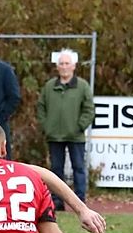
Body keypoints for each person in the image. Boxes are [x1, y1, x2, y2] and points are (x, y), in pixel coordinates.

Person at [36, 48, 95, 211]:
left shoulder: (82, 86)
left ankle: (80, 200)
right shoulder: (49, 86)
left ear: (73, 66)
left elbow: (89, 109)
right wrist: (47, 125)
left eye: (67, 63)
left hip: (76, 136)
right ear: (57, 66)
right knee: (56, 170)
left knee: (78, 168)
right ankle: (57, 201)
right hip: (54, 136)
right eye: (61, 63)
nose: (64, 66)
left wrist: (79, 127)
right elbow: (41, 107)